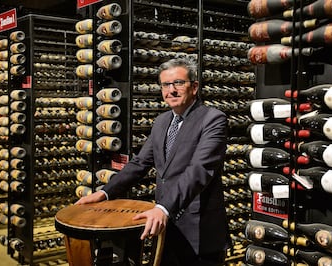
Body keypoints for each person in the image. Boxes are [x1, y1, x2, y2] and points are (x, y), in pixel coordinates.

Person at [76, 58, 230, 266]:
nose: (171, 90)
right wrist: (105, 192)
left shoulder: (213, 119)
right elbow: (140, 163)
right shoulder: (162, 121)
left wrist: (164, 208)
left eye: (178, 83)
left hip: (199, 232)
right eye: (166, 85)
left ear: (194, 87)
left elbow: (199, 170)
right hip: (166, 227)